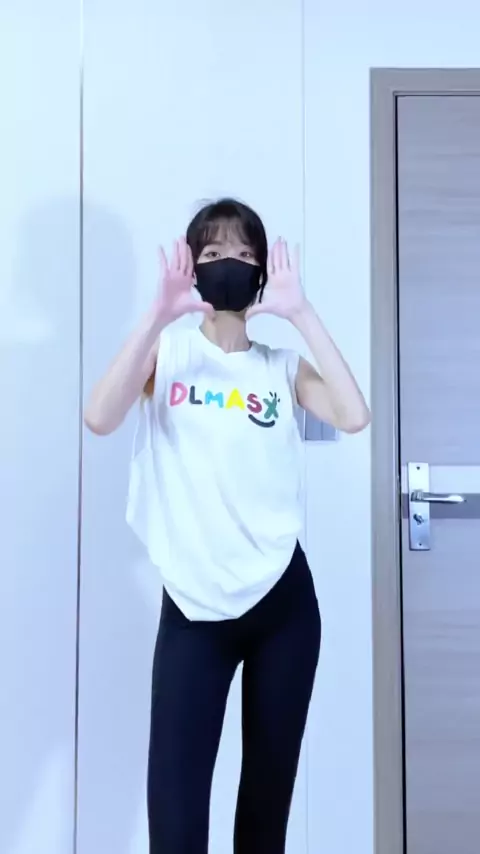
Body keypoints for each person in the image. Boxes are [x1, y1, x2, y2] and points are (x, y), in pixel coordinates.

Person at [85, 198, 370, 854]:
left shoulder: (280, 368)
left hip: (282, 607)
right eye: (212, 254)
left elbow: (353, 416)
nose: (229, 264)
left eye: (244, 255)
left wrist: (302, 314)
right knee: (177, 824)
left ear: (262, 274)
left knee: (264, 818)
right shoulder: (169, 355)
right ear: (192, 270)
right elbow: (100, 416)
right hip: (194, 610)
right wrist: (157, 315)